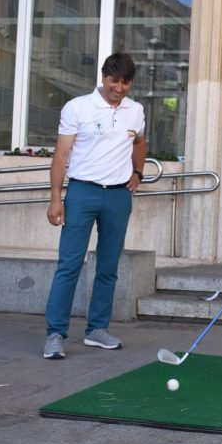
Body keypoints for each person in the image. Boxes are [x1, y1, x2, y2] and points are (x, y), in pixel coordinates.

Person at [43, 52, 146, 359]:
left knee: (109, 266)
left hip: (118, 197)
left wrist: (138, 173)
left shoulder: (136, 110)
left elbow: (139, 142)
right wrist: (55, 199)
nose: (119, 88)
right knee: (69, 264)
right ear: (103, 77)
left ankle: (97, 329)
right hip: (82, 193)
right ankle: (55, 333)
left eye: (126, 83)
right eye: (115, 81)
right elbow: (61, 156)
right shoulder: (77, 107)